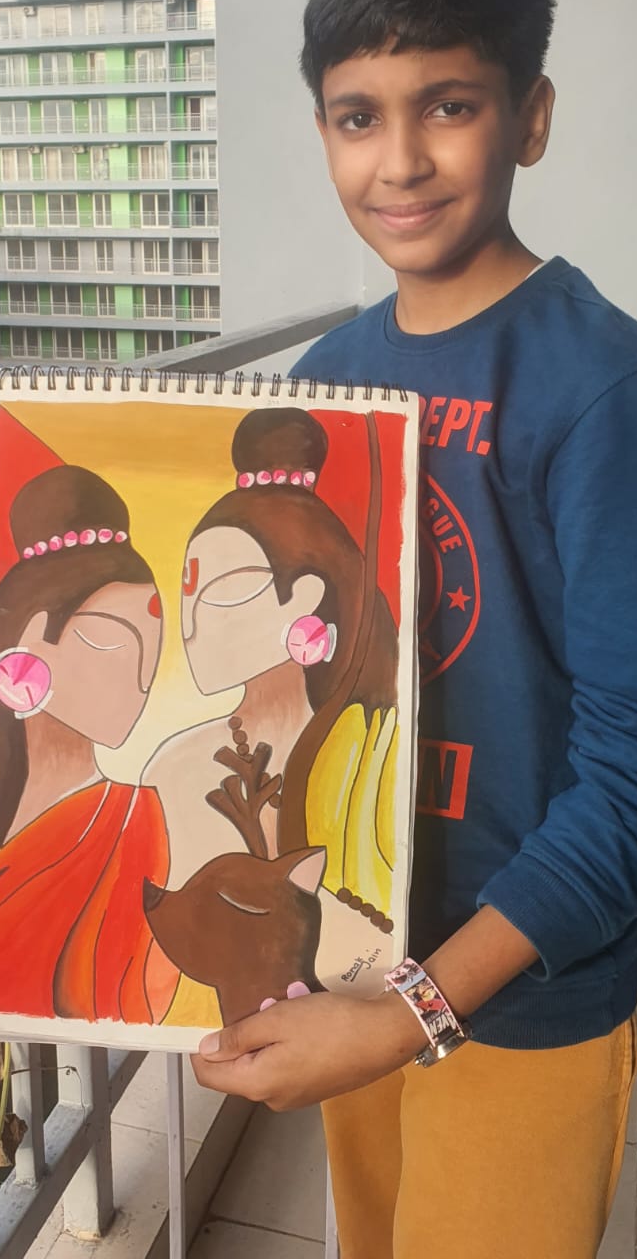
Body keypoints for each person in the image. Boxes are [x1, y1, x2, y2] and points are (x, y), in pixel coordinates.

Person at [192, 0, 637, 1258]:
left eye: (448, 105)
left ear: (530, 117)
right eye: (356, 115)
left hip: (517, 994)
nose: (401, 160)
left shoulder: (604, 394)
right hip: (354, 958)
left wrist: (417, 1009)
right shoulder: (327, 386)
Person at [145, 407, 401, 1022]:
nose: (193, 620)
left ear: (305, 597)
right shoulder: (174, 767)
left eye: (223, 590)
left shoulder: (373, 749)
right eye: (186, 592)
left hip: (375, 1015)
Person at [0, 463, 177, 1025]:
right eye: (114, 641)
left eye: (155, 645)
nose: (144, 677)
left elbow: (139, 1003)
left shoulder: (134, 820)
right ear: (27, 650)